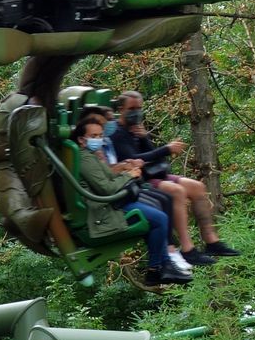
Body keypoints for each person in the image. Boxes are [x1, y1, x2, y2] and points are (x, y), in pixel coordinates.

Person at [109, 90, 237, 262]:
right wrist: (167, 149)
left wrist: (144, 138)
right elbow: (133, 160)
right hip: (137, 181)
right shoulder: (117, 133)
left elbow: (154, 157)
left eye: (139, 108)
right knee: (177, 191)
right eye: (131, 109)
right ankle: (187, 248)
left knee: (198, 187)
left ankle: (212, 241)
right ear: (121, 109)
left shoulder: (136, 130)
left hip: (154, 174)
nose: (136, 112)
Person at [74, 111, 189, 287]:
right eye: (93, 136)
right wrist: (129, 176)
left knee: (159, 207)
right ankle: (156, 269)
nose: (98, 139)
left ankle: (161, 266)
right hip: (105, 209)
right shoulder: (85, 160)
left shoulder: (91, 156)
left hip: (111, 201)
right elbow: (106, 188)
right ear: (82, 140)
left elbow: (108, 177)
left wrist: (126, 169)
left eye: (100, 136)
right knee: (159, 219)